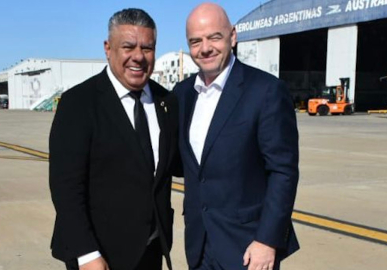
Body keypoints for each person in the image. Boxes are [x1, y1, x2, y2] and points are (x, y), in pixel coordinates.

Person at [49, 8, 178, 270]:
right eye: (128, 46)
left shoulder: (167, 101)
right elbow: (66, 188)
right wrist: (86, 254)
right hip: (100, 255)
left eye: (148, 48)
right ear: (108, 49)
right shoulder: (79, 103)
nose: (139, 57)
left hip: (151, 251)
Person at [173, 3, 299, 270]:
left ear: (232, 36)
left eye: (214, 37)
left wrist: (267, 241)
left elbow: (283, 171)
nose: (204, 48)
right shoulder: (182, 94)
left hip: (248, 248)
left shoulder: (266, 91)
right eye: (195, 41)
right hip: (199, 244)